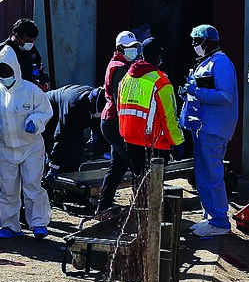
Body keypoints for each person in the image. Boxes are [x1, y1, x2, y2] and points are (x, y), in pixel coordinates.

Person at [0, 47, 52, 239]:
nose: (4, 75)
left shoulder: (31, 90)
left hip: (31, 147)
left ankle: (38, 223)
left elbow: (45, 111)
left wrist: (34, 122)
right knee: (8, 189)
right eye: (1, 72)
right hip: (5, 149)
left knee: (32, 186)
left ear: (16, 69)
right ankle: (10, 225)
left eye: (8, 71)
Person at [179, 24, 238, 238]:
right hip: (202, 127)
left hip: (214, 128)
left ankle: (220, 221)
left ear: (209, 41)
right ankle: (211, 217)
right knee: (203, 175)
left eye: (197, 41)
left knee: (212, 176)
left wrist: (195, 90)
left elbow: (225, 96)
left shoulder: (221, 63)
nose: (194, 45)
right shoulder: (207, 62)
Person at [117, 37, 184, 178]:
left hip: (129, 140)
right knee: (154, 187)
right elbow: (169, 117)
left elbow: (120, 109)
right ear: (159, 56)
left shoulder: (126, 78)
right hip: (154, 144)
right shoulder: (161, 82)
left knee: (140, 185)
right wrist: (177, 142)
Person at [95, 30, 143, 214]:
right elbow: (121, 101)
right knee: (136, 165)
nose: (134, 50)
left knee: (118, 166)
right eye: (129, 48)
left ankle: (103, 206)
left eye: (135, 47)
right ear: (120, 48)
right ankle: (141, 208)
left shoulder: (125, 65)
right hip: (116, 123)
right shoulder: (119, 69)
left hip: (114, 121)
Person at [43, 85, 103, 179]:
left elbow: (97, 117)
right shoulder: (73, 106)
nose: (98, 114)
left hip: (73, 112)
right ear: (89, 104)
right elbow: (60, 137)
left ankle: (71, 174)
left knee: (76, 148)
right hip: (50, 110)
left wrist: (94, 133)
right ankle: (48, 171)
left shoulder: (99, 99)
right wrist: (53, 166)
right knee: (52, 144)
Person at [0, 18, 50, 91]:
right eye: (27, 41)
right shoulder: (1, 52)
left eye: (33, 41)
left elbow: (37, 68)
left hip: (31, 95)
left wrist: (41, 83)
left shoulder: (31, 50)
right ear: (17, 36)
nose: (30, 44)